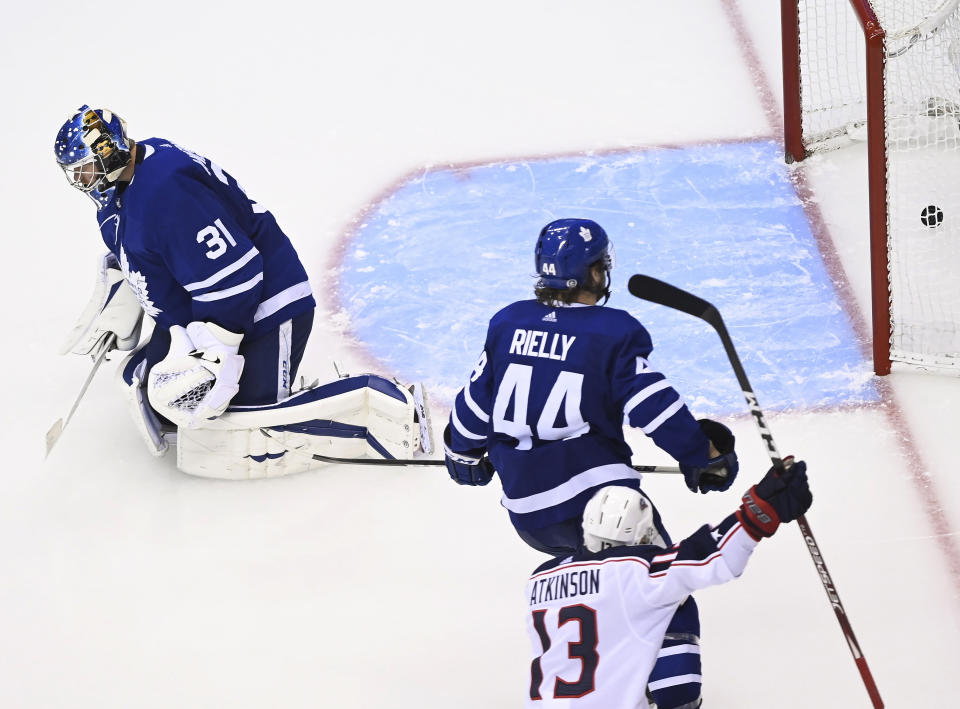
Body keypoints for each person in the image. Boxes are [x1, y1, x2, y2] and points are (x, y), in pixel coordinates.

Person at [441, 217, 739, 707]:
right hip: (597, 503)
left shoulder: (507, 322)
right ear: (593, 273)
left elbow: (474, 407)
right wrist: (703, 455)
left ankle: (591, 680)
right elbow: (652, 405)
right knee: (666, 585)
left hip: (528, 514)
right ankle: (676, 699)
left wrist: (462, 454)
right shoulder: (613, 332)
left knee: (597, 580)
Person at [54, 106, 429, 477]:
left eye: (85, 168)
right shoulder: (123, 188)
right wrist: (124, 300)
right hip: (207, 314)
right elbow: (138, 248)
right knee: (170, 404)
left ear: (109, 150)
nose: (81, 181)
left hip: (267, 309)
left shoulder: (165, 193)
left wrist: (217, 351)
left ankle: (378, 405)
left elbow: (239, 276)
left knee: (238, 428)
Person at [524, 458, 813, 708]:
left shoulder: (539, 579)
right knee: (676, 606)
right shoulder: (638, 570)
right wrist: (760, 507)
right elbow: (713, 554)